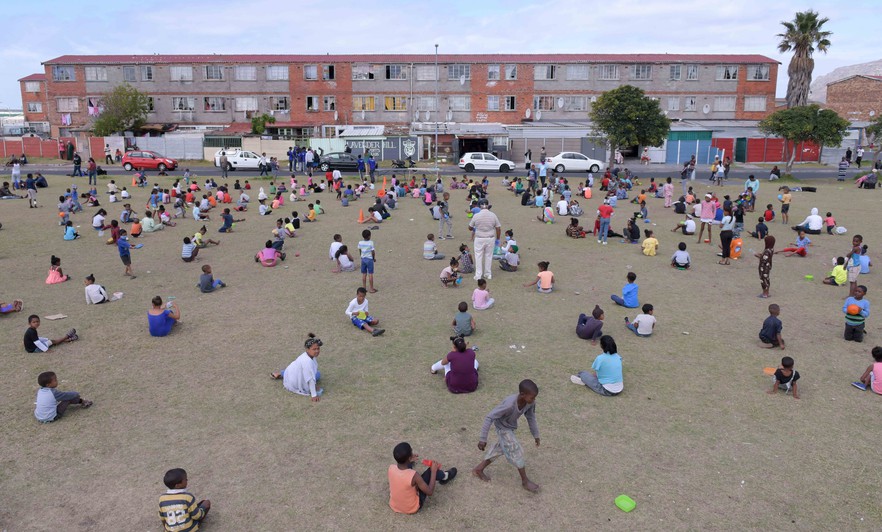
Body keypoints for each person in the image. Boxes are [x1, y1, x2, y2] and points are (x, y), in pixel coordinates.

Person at [473, 379, 541, 493]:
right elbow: (489, 417)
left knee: (500, 449)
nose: (534, 400)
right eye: (532, 397)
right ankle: (525, 481)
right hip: (502, 428)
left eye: (535, 397)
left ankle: (478, 469)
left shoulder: (530, 403)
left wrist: (536, 435)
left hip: (510, 428)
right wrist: (482, 439)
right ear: (522, 394)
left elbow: (531, 418)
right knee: (515, 450)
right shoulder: (509, 405)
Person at [388, 442, 457, 514]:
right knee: (430, 472)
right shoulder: (414, 476)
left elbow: (403, 475)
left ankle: (408, 462)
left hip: (395, 505)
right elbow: (430, 492)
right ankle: (445, 476)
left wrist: (408, 460)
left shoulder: (391, 468)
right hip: (411, 508)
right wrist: (433, 471)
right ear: (409, 458)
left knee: (406, 471)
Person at [271, 333, 324, 400]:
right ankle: (282, 374)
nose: (317, 351)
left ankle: (281, 373)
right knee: (317, 375)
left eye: (318, 348)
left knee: (316, 374)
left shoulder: (306, 355)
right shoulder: (307, 362)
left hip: (289, 373)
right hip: (294, 382)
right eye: (314, 349)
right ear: (307, 349)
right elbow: (310, 379)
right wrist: (314, 395)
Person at [469, 199, 502, 281]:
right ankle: (488, 274)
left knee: (478, 256)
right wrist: (498, 238)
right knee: (488, 256)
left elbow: (470, 227)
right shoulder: (493, 215)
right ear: (488, 205)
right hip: (490, 238)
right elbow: (498, 228)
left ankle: (478, 275)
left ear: (480, 206)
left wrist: (475, 227)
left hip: (479, 238)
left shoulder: (476, 216)